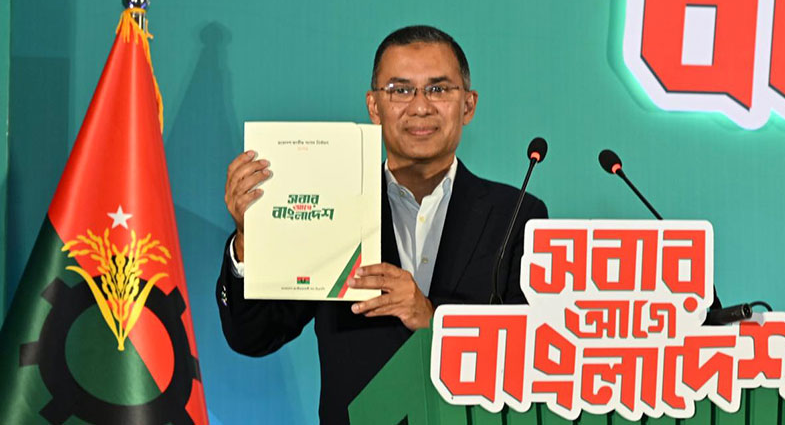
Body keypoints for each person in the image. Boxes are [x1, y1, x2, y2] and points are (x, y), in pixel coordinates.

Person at [216, 25, 548, 424]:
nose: (420, 107)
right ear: (374, 107)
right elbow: (253, 337)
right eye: (400, 90)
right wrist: (248, 240)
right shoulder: (333, 206)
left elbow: (534, 351)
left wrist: (432, 317)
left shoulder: (516, 214)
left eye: (438, 89)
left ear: (468, 105)